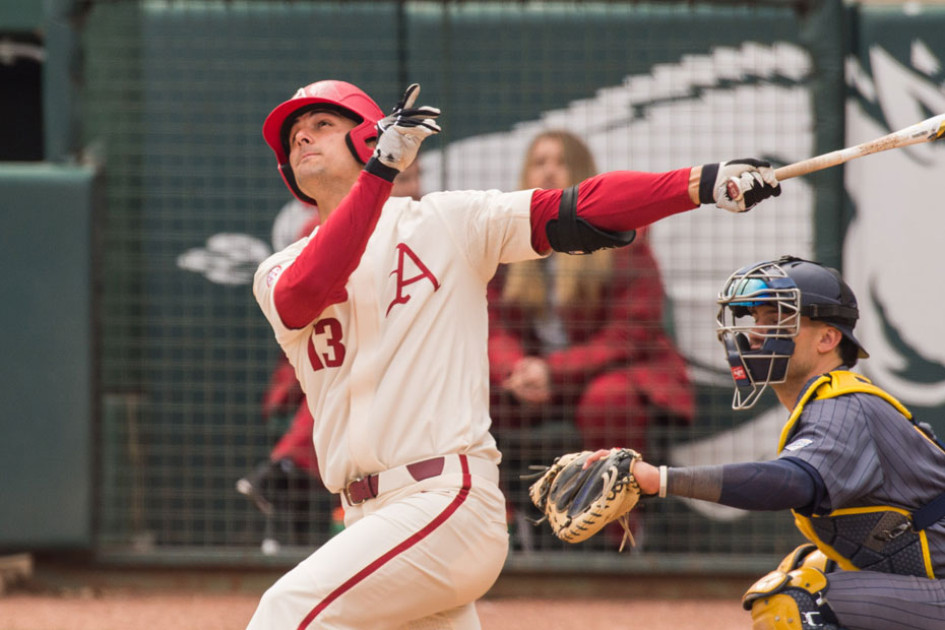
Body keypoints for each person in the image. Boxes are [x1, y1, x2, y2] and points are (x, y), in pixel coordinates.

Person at [247, 77, 780, 629]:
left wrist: (697, 183)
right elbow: (307, 291)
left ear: (366, 139)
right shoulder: (279, 268)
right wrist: (381, 173)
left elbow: (576, 205)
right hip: (365, 516)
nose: (303, 139)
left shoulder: (445, 223)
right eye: (294, 137)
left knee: (287, 613)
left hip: (440, 498)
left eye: (322, 125)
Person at [586, 255, 945, 630]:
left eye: (777, 319)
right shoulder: (828, 402)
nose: (757, 332)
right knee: (807, 567)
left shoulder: (842, 405)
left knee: (790, 605)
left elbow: (790, 483)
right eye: (756, 319)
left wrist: (657, 479)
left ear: (827, 338)